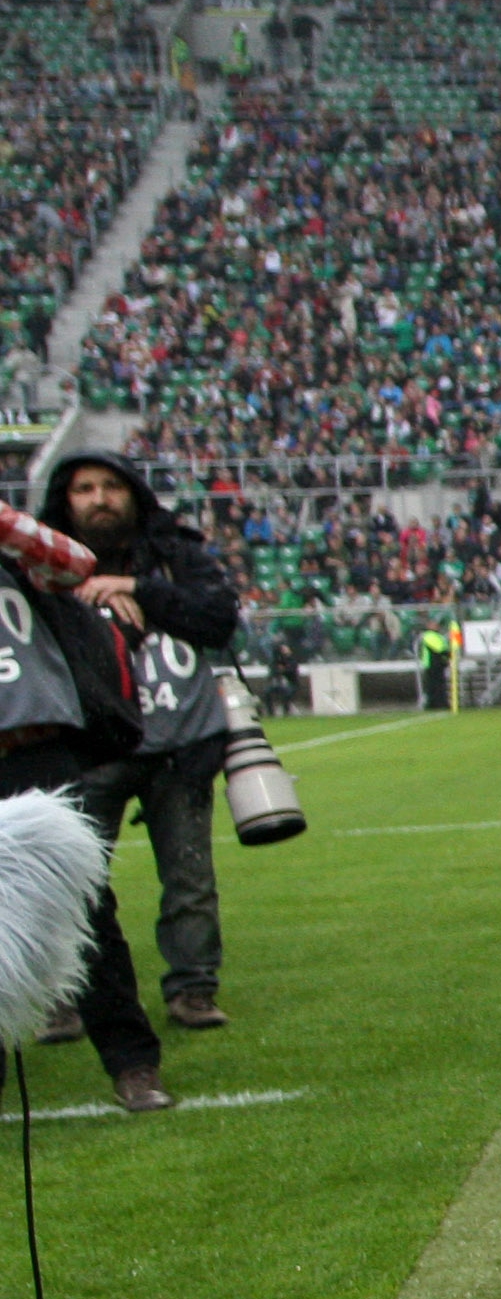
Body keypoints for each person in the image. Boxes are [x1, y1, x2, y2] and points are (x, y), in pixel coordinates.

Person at [50, 454, 243, 1031]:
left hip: (180, 745)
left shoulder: (174, 555)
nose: (99, 498)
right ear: (66, 500)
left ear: (133, 494)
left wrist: (137, 588)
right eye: (85, 489)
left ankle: (193, 990)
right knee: (73, 883)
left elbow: (218, 617)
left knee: (189, 880)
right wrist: (88, 592)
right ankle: (65, 995)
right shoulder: (43, 565)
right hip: (90, 748)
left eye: (111, 486)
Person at [0, 516, 168, 1111]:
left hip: (31, 742)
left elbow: (75, 564)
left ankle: (132, 1063)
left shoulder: (12, 543)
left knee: (87, 907)